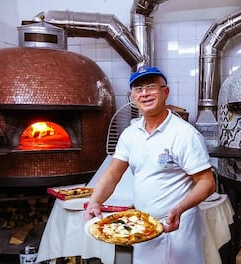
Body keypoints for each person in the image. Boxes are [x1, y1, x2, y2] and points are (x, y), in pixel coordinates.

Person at [84, 66, 216, 264]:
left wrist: (179, 209)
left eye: (151, 86)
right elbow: (113, 173)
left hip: (177, 226)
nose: (144, 93)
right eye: (138, 89)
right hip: (142, 224)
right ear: (133, 97)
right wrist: (95, 201)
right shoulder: (130, 133)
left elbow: (207, 182)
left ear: (166, 92)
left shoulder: (184, 134)